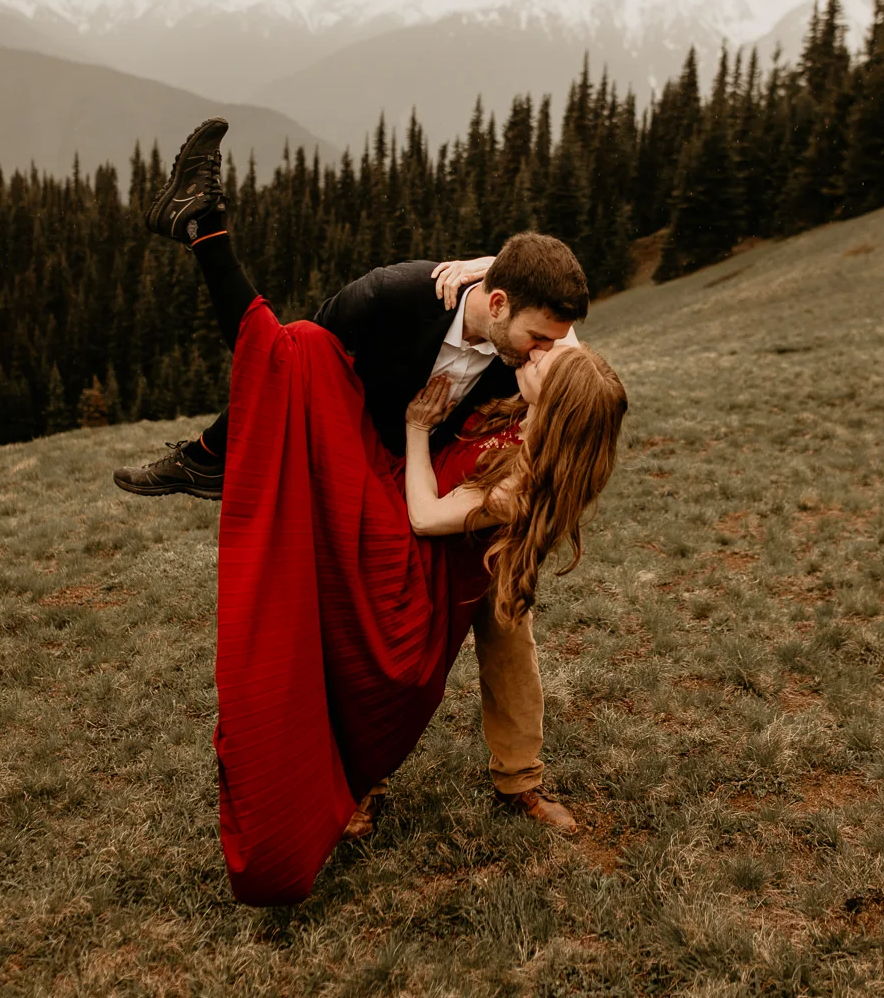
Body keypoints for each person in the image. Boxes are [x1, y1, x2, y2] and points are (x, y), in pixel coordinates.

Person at [117, 121, 627, 900]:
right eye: (537, 339)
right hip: (390, 473)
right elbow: (292, 372)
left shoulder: (543, 359)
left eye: (553, 345)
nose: (546, 349)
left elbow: (562, 344)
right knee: (295, 362)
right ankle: (202, 251)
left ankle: (515, 777)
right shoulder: (394, 297)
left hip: (461, 512)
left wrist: (436, 428)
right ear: (495, 301)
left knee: (504, 626)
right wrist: (229, 447)